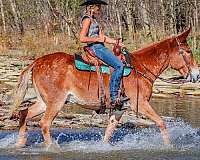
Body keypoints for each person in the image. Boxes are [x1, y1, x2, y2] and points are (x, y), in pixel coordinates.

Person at [79, 0, 129, 110]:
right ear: (92, 7)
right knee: (119, 65)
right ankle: (114, 96)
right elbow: (82, 38)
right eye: (98, 7)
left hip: (100, 46)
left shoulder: (94, 20)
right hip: (95, 47)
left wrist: (116, 43)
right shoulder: (87, 19)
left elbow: (103, 37)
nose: (100, 9)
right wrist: (97, 39)